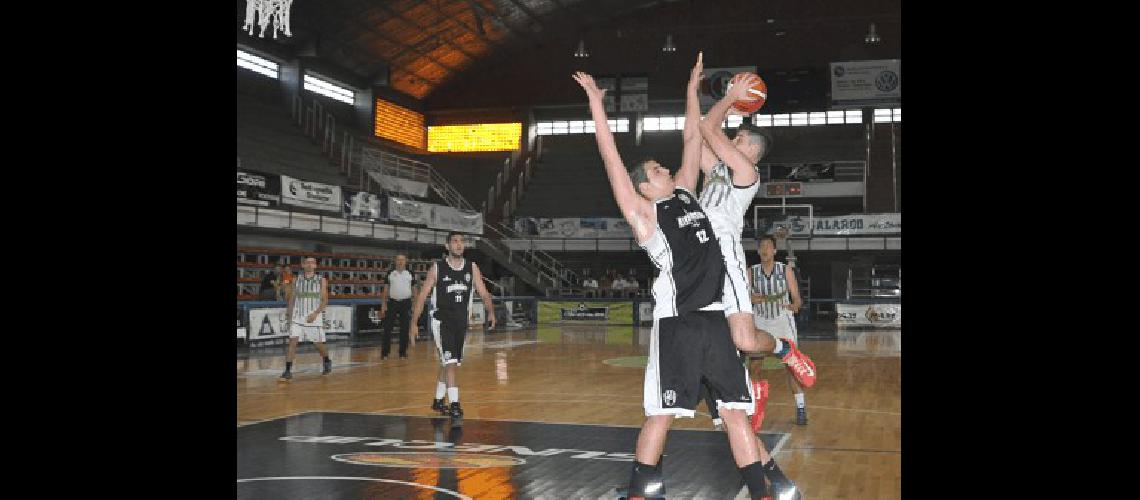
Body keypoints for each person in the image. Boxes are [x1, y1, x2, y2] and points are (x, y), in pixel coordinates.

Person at [573, 56, 791, 500]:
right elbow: (610, 157)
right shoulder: (645, 215)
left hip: (715, 317)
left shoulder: (689, 192)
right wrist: (597, 103)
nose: (664, 170)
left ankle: (762, 492)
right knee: (661, 415)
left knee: (735, 412)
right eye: (655, 171)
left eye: (662, 167)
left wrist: (692, 90)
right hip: (679, 321)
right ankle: (641, 489)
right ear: (643, 189)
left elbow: (693, 137)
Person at [409, 232, 497, 418]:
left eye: (461, 241)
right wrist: (414, 322)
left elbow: (483, 291)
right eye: (455, 241)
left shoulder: (471, 268)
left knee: (451, 363)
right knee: (449, 363)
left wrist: (491, 311)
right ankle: (455, 404)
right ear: (447, 246)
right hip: (442, 322)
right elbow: (422, 295)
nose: (459, 244)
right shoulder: (437, 268)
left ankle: (438, 400)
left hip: (460, 323)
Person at [750, 234, 808, 425]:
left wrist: (796, 305)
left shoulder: (785, 270)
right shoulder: (751, 271)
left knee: (791, 367)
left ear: (775, 250)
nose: (765, 250)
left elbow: (797, 298)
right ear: (758, 251)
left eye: (768, 246)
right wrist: (752, 299)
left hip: (782, 320)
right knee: (755, 367)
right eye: (762, 246)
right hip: (761, 321)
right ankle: (755, 407)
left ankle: (800, 407)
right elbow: (743, 298)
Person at [278, 257, 333, 381]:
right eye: (307, 262)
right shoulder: (296, 280)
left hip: (313, 317)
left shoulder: (321, 280)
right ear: (302, 265)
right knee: (292, 342)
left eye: (312, 262)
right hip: (298, 316)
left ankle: (326, 359)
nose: (309, 264)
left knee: (318, 344)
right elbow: (291, 298)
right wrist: (289, 314)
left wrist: (315, 314)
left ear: (315, 266)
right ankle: (287, 371)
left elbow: (325, 300)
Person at [380, 254, 415, 360]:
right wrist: (383, 304)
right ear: (395, 261)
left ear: (406, 261)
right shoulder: (390, 273)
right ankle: (385, 353)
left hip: (406, 303)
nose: (400, 261)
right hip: (392, 303)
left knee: (404, 329)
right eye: (398, 260)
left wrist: (415, 304)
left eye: (402, 260)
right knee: (387, 328)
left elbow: (414, 290)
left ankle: (402, 353)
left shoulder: (410, 273)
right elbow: (385, 290)